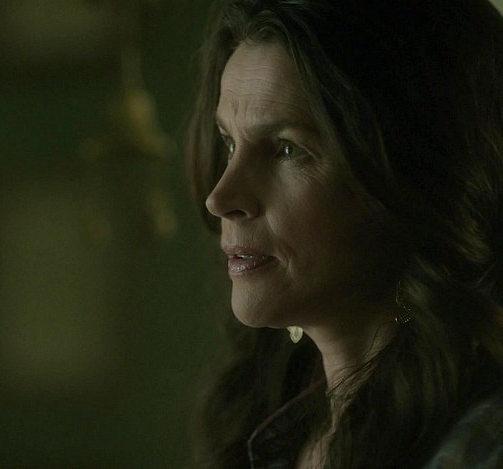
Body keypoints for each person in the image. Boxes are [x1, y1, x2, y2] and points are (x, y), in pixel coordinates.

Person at [185, 0, 503, 467]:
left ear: (414, 176)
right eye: (229, 143)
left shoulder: (481, 445)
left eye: (285, 149)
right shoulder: (271, 426)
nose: (220, 198)